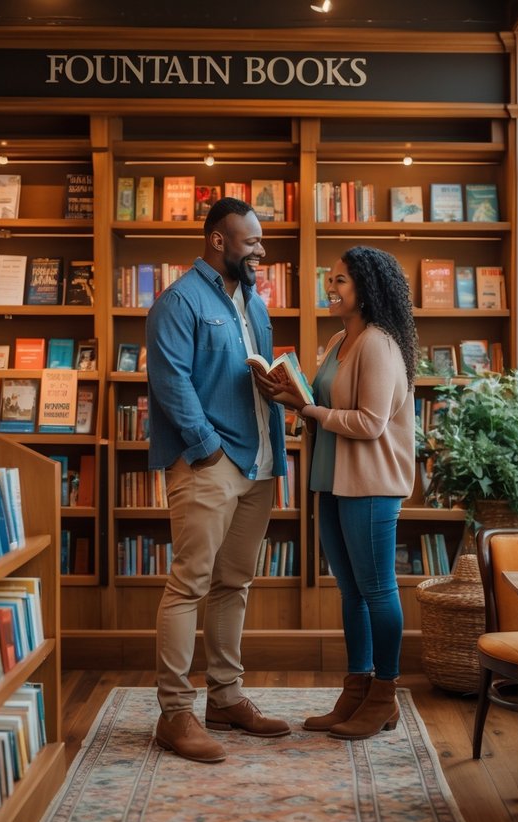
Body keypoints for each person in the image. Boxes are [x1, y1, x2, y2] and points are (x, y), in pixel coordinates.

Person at [146, 197, 290, 763]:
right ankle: (174, 714)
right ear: (218, 241)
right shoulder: (178, 301)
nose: (260, 250)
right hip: (211, 463)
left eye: (260, 240)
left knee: (235, 583)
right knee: (189, 585)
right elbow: (171, 383)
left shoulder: (253, 302)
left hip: (259, 464)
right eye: (251, 241)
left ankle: (225, 698)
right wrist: (207, 451)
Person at [255, 245, 417, 740]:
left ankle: (385, 695)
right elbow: (325, 405)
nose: (331, 287)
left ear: (367, 290)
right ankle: (356, 689)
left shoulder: (379, 344)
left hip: (370, 485)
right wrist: (290, 395)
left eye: (341, 280)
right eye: (331, 279)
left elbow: (369, 424)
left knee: (377, 590)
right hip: (331, 481)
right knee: (350, 593)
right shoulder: (337, 340)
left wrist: (308, 412)